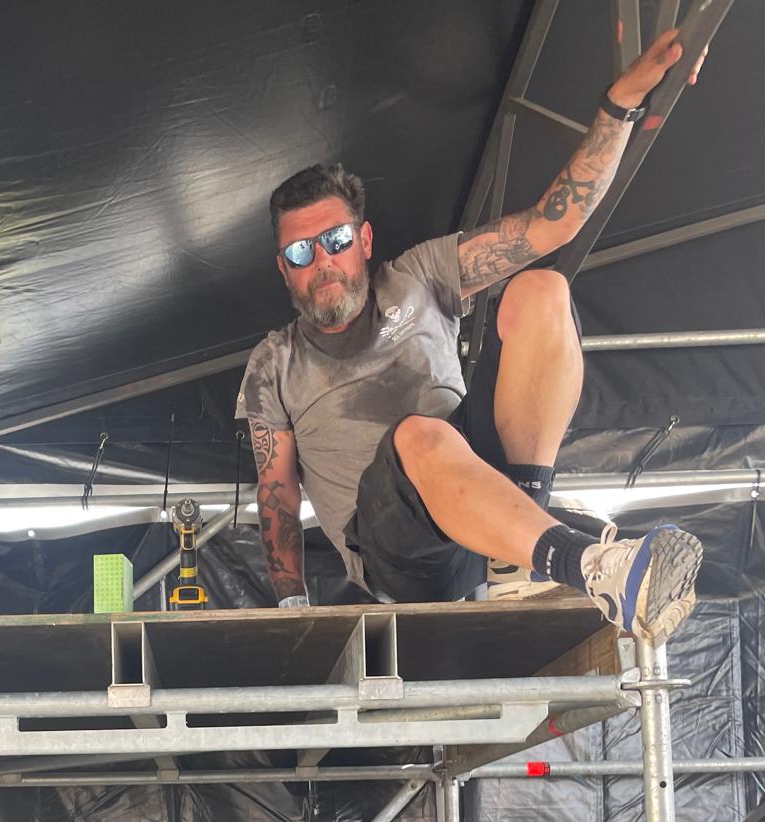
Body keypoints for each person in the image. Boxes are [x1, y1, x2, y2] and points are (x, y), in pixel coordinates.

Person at [236, 27, 707, 643]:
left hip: (480, 492)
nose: (322, 260)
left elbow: (550, 226)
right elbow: (276, 493)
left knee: (543, 291)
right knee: (418, 436)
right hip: (397, 549)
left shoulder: (418, 276)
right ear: (283, 268)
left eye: (336, 240)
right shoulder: (274, 362)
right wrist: (291, 608)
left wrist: (621, 105)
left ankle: (523, 544)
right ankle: (584, 562)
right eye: (301, 251)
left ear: (364, 241)